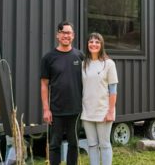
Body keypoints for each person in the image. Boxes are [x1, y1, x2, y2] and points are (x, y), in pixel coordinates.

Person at [41, 21, 84, 165]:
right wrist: (46, 109)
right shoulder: (48, 58)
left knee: (74, 144)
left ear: (73, 36)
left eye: (69, 33)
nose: (66, 35)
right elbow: (44, 84)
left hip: (75, 110)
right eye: (63, 32)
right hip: (56, 110)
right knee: (54, 145)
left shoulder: (80, 56)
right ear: (58, 35)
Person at [81, 33, 118, 165]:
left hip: (103, 111)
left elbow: (113, 90)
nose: (93, 44)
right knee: (92, 145)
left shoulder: (109, 64)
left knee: (105, 144)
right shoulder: (83, 64)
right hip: (87, 112)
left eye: (97, 42)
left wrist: (110, 111)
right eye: (91, 41)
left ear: (101, 45)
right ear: (87, 45)